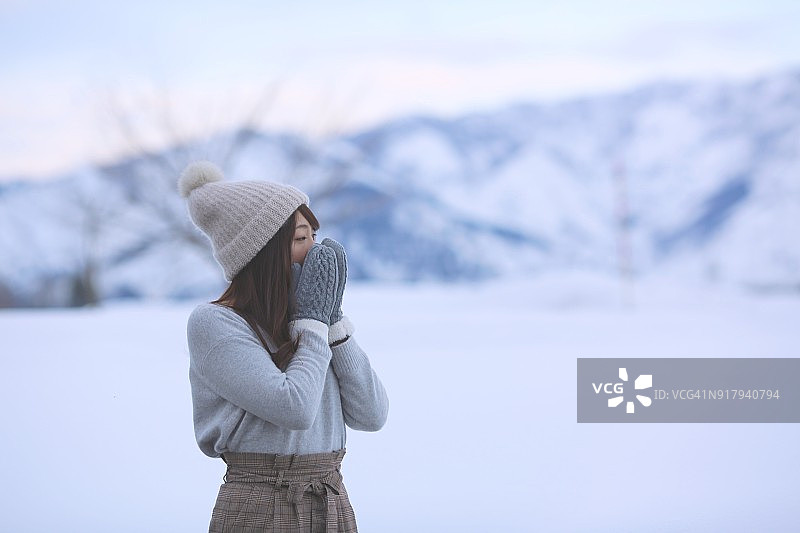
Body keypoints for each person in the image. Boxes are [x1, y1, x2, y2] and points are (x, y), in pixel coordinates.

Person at [179, 161, 389, 532]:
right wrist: (314, 324)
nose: (314, 252)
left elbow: (371, 414)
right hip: (261, 504)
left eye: (313, 235)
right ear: (262, 253)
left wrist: (333, 321)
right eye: (299, 239)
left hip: (330, 498)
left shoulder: (310, 323)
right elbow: (293, 407)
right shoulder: (215, 324)